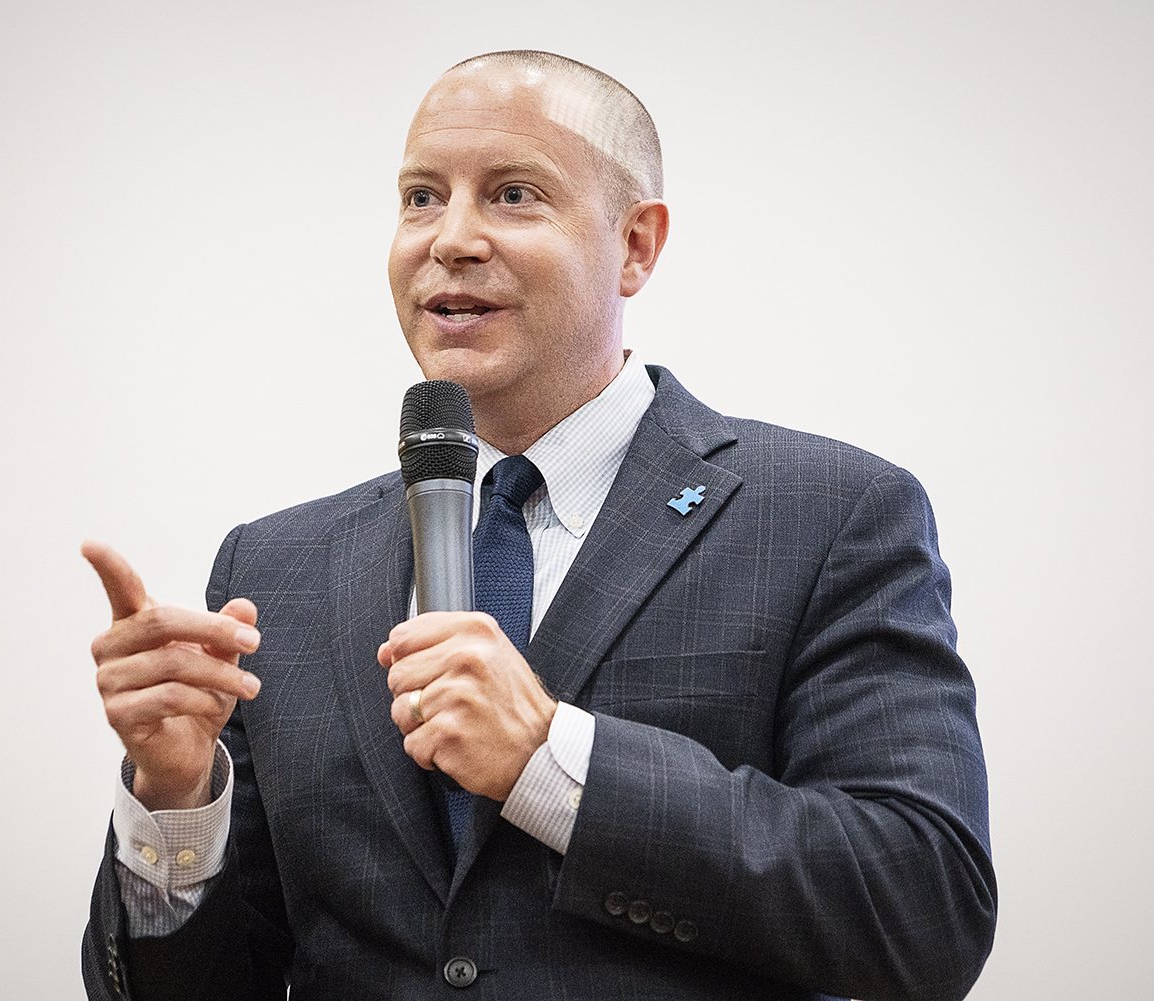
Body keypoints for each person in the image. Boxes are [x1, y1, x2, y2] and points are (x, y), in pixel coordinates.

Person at [81, 50, 996, 1001]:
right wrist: (178, 805)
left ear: (637, 245)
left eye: (514, 194)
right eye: (421, 197)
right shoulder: (278, 564)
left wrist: (550, 763)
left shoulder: (828, 512)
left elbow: (924, 909)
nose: (452, 239)